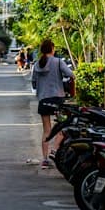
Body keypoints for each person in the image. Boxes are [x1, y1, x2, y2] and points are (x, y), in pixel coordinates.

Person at [31, 38, 75, 167]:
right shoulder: (58, 62)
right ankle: (54, 150)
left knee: (46, 131)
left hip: (43, 100)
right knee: (62, 127)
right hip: (58, 99)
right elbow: (71, 74)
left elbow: (34, 83)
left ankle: (44, 159)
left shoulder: (37, 64)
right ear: (52, 49)